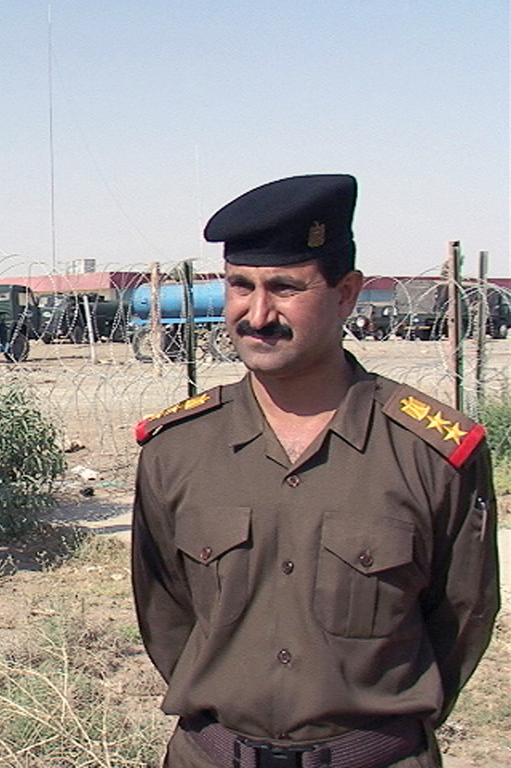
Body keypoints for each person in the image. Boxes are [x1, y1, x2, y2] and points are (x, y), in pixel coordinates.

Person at [132, 174, 499, 768]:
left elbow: (461, 616)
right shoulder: (177, 449)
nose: (257, 314)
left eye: (284, 288)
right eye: (239, 287)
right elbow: (165, 613)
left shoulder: (430, 452)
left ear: (346, 293)